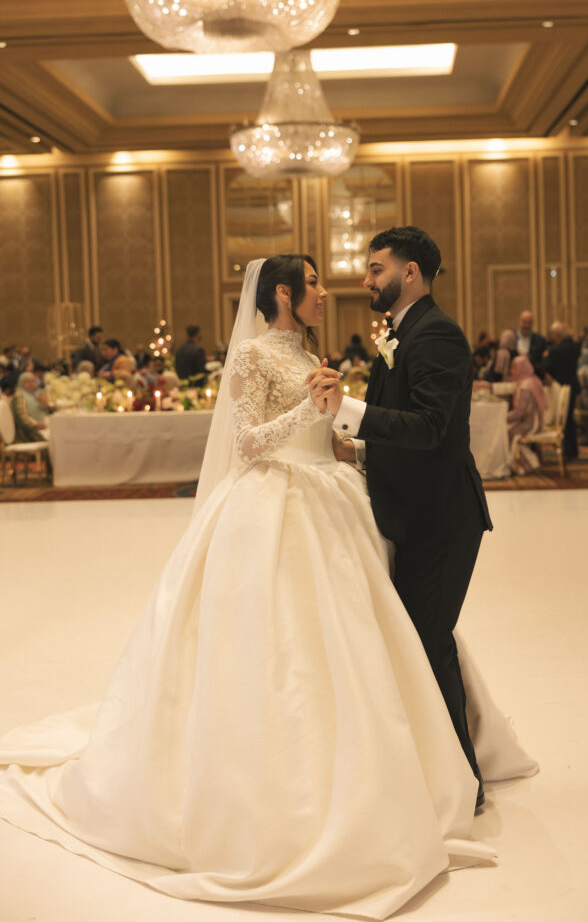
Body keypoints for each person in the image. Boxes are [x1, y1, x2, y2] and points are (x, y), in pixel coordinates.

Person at [0, 254, 535, 918]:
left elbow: (329, 439)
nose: (323, 293)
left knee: (365, 635)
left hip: (330, 497)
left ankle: (402, 767)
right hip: (272, 503)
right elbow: (249, 445)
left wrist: (345, 431)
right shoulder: (252, 356)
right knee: (280, 647)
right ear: (283, 291)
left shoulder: (310, 351)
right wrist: (305, 411)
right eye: (312, 284)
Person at [308, 226, 493, 809]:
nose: (366, 279)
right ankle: (438, 769)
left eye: (376, 268)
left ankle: (464, 784)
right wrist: (357, 448)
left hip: (440, 519)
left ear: (409, 273)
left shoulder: (436, 335)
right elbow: (405, 428)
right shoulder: (401, 333)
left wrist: (349, 411)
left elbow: (432, 428)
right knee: (418, 642)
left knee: (428, 642)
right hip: (414, 514)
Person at [541, 321, 581, 461]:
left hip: (561, 388)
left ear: (556, 334)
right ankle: (572, 450)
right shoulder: (575, 347)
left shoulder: (555, 350)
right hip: (573, 386)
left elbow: (546, 367)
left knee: (563, 420)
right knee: (569, 420)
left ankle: (568, 451)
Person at [506, 355, 547, 474]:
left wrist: (503, 418)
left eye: (514, 368)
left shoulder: (525, 386)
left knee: (508, 432)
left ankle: (528, 465)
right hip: (536, 420)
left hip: (532, 423)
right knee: (507, 429)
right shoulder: (533, 380)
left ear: (521, 368)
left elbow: (520, 412)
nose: (511, 371)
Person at [10, 371, 50, 441]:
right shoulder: (19, 396)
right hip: (30, 432)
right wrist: (36, 424)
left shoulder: (31, 395)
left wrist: (44, 404)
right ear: (21, 383)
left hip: (40, 426)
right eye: (27, 382)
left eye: (33, 381)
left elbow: (41, 411)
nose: (31, 384)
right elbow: (22, 418)